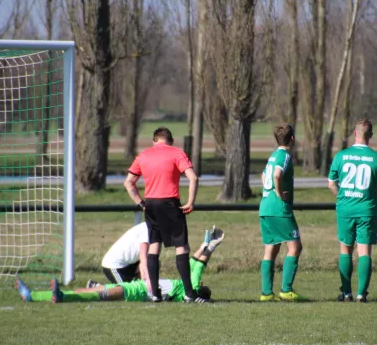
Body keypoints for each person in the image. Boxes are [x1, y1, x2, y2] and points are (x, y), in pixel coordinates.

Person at [14, 227, 225, 304]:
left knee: (94, 295)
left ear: (199, 290)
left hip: (135, 291)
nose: (199, 282)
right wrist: (205, 245)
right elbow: (192, 263)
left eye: (201, 284)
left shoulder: (190, 289)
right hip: (132, 287)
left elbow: (197, 267)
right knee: (84, 291)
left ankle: (54, 297)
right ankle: (32, 295)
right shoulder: (182, 285)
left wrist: (210, 248)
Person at [123, 127, 200, 303]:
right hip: (170, 203)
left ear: (154, 141)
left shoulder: (143, 155)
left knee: (154, 245)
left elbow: (128, 182)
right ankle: (189, 292)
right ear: (171, 141)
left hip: (150, 204)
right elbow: (193, 178)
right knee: (181, 246)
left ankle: (155, 293)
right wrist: (190, 202)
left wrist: (141, 203)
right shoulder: (177, 153)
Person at [327, 118, 377, 303]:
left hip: (345, 209)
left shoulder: (340, 156)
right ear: (370, 135)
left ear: (354, 133)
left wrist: (342, 197)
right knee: (364, 251)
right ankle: (361, 294)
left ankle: (346, 293)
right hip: (367, 210)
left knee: (345, 249)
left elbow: (331, 184)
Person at [258, 123, 306, 302]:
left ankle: (266, 293)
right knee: (295, 247)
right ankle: (286, 290)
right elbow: (277, 175)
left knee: (271, 248)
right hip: (279, 209)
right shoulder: (285, 156)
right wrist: (278, 194)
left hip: (265, 208)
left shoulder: (273, 156)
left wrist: (269, 191)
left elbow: (264, 176)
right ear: (292, 139)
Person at [86, 222, 150, 289]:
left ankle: (142, 287)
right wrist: (147, 281)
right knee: (125, 291)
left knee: (152, 262)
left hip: (129, 264)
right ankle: (96, 286)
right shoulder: (145, 229)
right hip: (114, 266)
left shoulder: (153, 228)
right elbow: (143, 258)